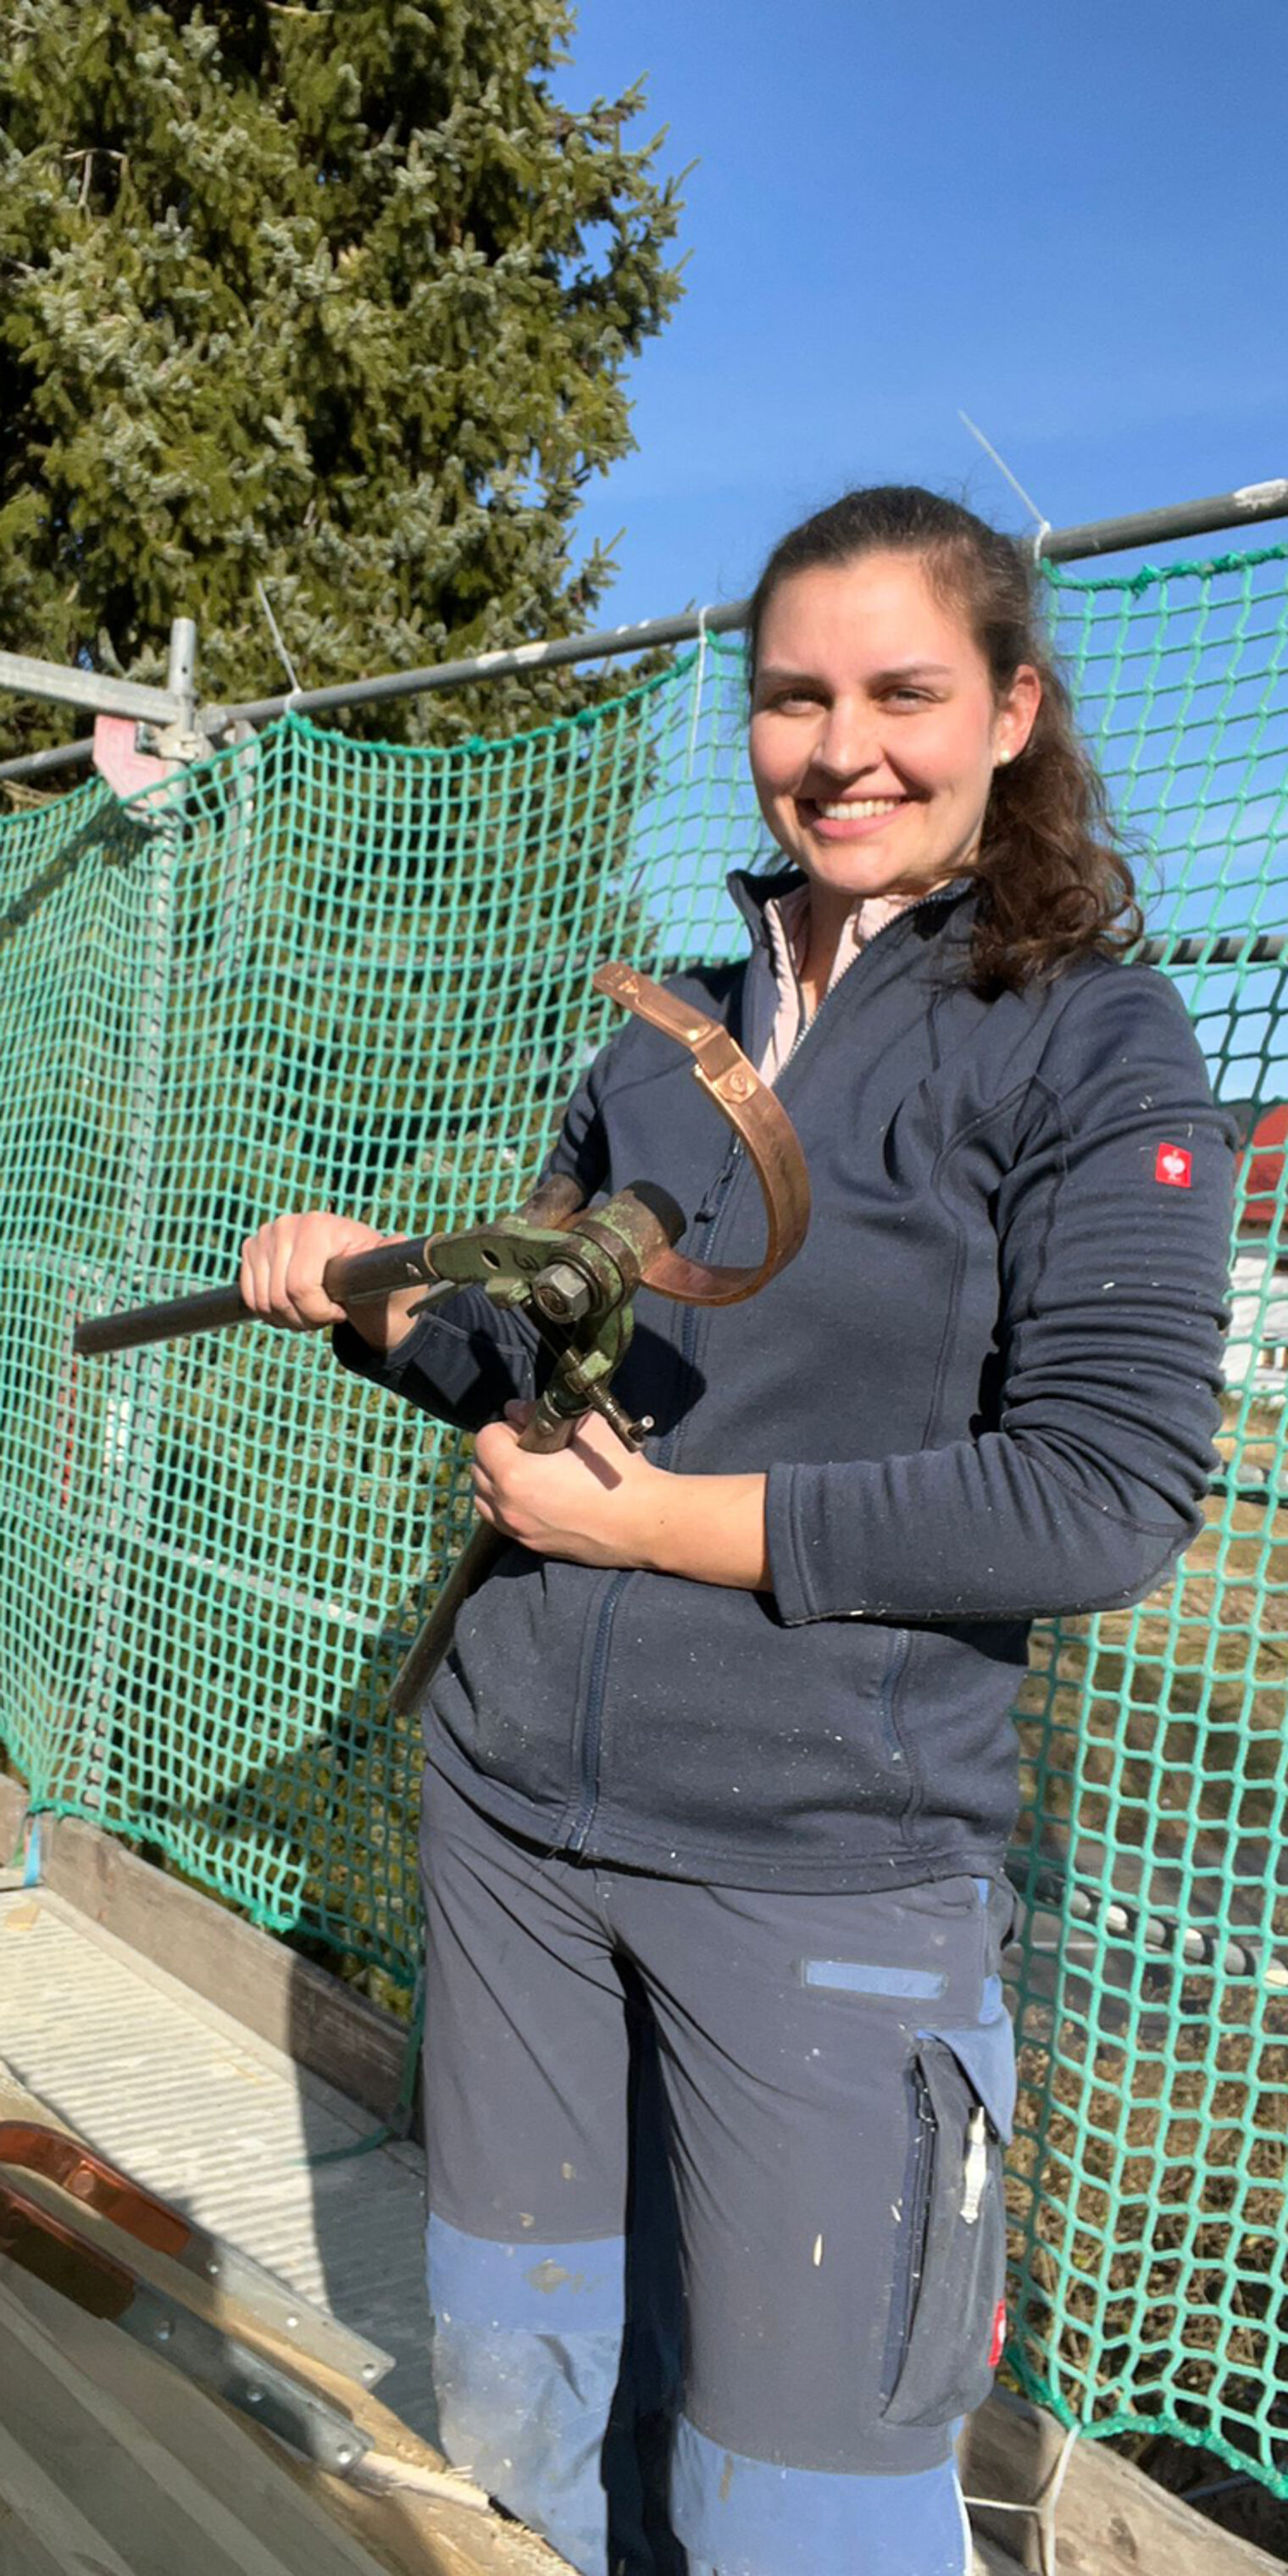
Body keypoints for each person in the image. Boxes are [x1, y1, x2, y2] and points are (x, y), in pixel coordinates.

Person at [241, 487, 1235, 2576]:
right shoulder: (660, 1030)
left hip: (825, 1873)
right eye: (795, 694)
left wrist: (668, 1524)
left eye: (904, 690)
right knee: (527, 2397)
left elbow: (1104, 1490)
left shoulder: (1085, 1035)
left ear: (1011, 709)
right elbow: (535, 1359)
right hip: (513, 1821)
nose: (842, 745)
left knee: (793, 2517)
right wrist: (383, 1296)